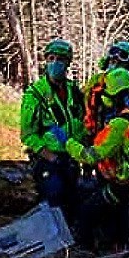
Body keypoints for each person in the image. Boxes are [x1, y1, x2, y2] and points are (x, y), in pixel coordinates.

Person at [69, 66, 129, 248]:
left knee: (86, 213)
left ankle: (85, 253)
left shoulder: (119, 125)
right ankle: (118, 245)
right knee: (118, 221)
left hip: (122, 187)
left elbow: (91, 156)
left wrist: (68, 143)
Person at [19, 38, 87, 216]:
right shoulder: (35, 94)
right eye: (51, 58)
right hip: (48, 160)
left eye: (60, 59)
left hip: (72, 159)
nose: (55, 63)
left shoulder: (75, 92)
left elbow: (82, 123)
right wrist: (51, 157)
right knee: (54, 200)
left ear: (67, 63)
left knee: (74, 203)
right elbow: (28, 135)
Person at [82, 39, 129, 134]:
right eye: (113, 56)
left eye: (122, 56)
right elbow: (84, 100)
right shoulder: (96, 81)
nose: (115, 59)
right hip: (94, 131)